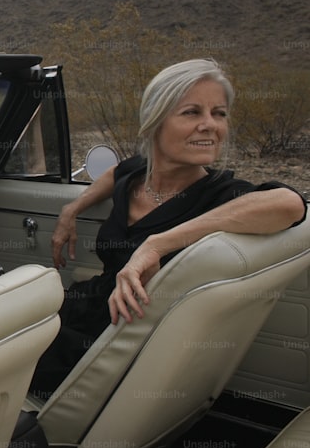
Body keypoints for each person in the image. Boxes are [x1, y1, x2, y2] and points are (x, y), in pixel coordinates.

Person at [30, 59, 307, 397]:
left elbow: (289, 204)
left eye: (219, 113)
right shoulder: (135, 173)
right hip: (86, 303)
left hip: (118, 336)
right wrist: (72, 209)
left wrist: (157, 244)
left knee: (1, 350)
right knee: (11, 314)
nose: (210, 125)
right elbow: (115, 173)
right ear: (154, 123)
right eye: (192, 112)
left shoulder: (220, 193)